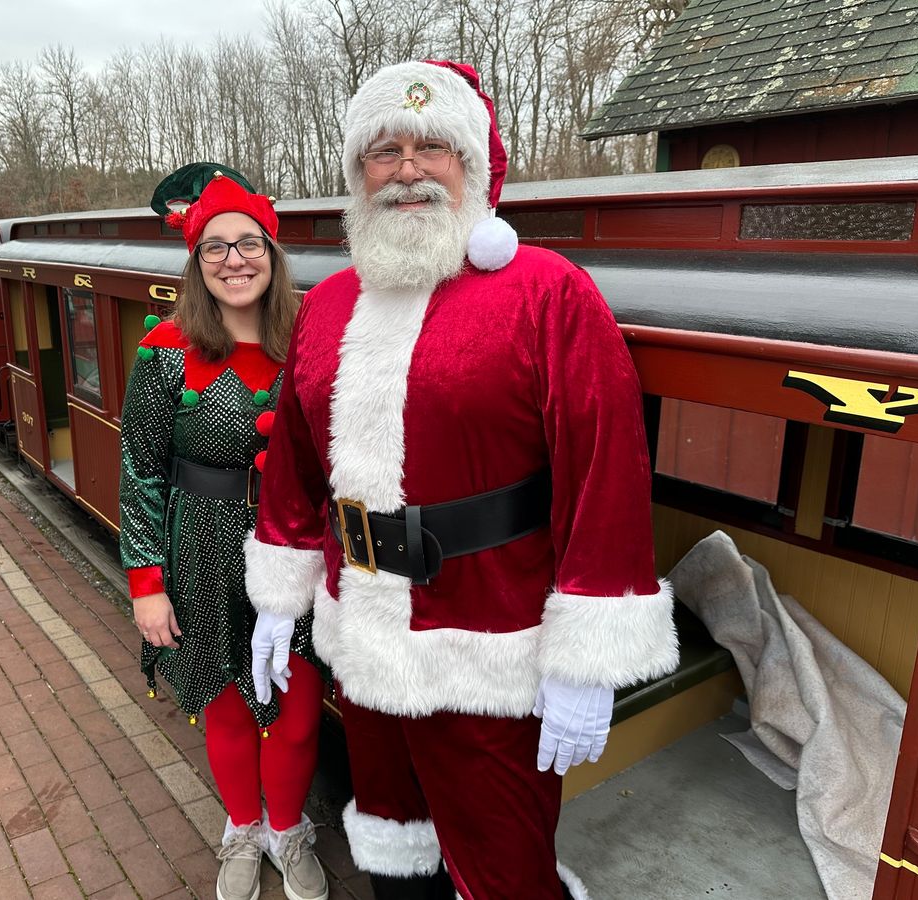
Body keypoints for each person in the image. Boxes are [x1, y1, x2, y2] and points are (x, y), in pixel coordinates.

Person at [244, 62, 678, 899]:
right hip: (362, 637)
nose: (407, 169)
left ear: (472, 164)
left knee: (505, 863)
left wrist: (587, 657)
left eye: (433, 145)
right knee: (392, 842)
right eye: (385, 151)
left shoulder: (547, 294)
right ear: (358, 173)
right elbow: (296, 461)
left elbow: (605, 473)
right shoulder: (329, 304)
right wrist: (277, 596)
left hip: (493, 645)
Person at [120, 167, 328, 900]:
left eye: (249, 244)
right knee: (226, 705)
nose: (234, 260)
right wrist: (146, 585)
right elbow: (141, 470)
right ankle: (243, 826)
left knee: (297, 716)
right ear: (195, 261)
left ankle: (288, 829)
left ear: (272, 255)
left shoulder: (312, 336)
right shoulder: (165, 351)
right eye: (215, 248)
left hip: (295, 549)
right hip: (200, 548)